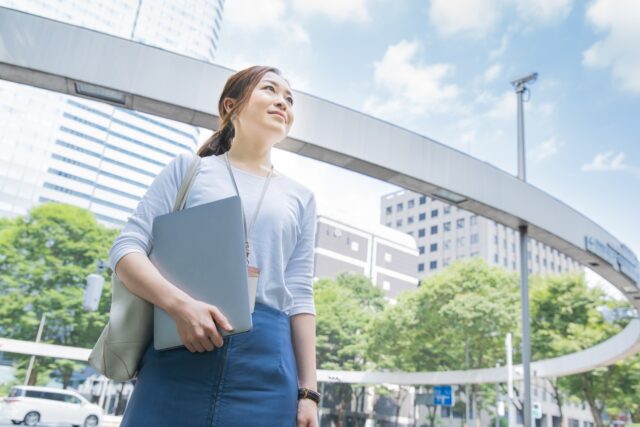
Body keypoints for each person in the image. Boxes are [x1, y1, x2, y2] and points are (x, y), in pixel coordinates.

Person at [109, 65, 319, 426]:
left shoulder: (301, 197)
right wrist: (179, 305)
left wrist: (308, 393)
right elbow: (127, 249)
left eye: (289, 98)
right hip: (179, 348)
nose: (282, 102)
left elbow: (299, 295)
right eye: (269, 89)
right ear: (231, 106)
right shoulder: (189, 170)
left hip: (268, 364)